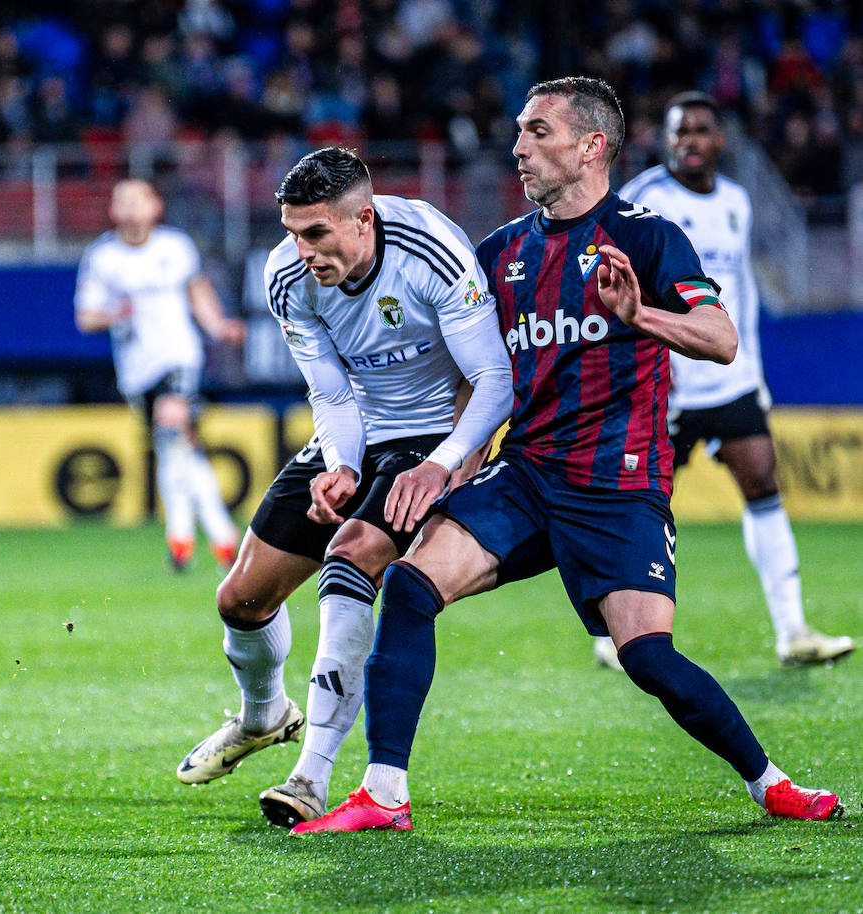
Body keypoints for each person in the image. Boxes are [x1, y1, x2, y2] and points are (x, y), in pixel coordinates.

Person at [296, 77, 842, 835]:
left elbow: (721, 339)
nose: (518, 147)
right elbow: (475, 379)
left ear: (592, 146)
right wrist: (449, 465)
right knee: (411, 587)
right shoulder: (499, 254)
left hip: (618, 488)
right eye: (519, 131)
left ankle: (769, 782)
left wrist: (637, 313)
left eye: (538, 132)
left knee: (648, 656)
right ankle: (385, 791)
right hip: (524, 475)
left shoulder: (647, 235)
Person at [175, 147, 512, 828]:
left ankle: (312, 776)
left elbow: (494, 381)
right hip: (362, 426)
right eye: (292, 232)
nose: (301, 250)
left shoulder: (432, 250)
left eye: (316, 233)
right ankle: (264, 715)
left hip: (435, 436)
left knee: (350, 556)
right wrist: (343, 466)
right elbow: (329, 390)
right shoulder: (287, 277)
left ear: (363, 218)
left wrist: (443, 463)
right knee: (240, 599)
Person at [588, 91, 853, 670]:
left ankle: (793, 631)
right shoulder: (644, 200)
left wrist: (753, 370)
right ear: (667, 140)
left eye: (701, 131)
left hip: (728, 381)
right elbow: (616, 293)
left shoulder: (736, 200)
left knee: (762, 481)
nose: (690, 141)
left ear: (719, 139)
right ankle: (615, 632)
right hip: (665, 382)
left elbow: (742, 296)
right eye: (680, 132)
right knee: (641, 503)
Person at [75, 179, 245, 571]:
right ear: (114, 211)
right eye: (124, 201)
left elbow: (197, 292)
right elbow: (86, 316)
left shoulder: (174, 247)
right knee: (177, 449)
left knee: (173, 435)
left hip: (179, 357)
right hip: (136, 370)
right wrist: (113, 313)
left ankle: (196, 538)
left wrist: (218, 327)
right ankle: (208, 539)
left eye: (140, 200)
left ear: (155, 206)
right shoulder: (103, 257)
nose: (132, 208)